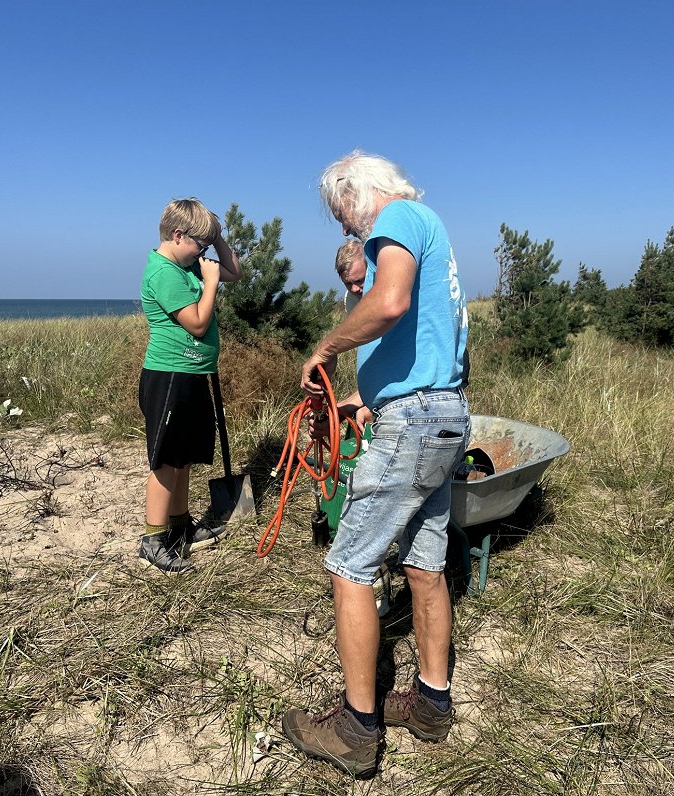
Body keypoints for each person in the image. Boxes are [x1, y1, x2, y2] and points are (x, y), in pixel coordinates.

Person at [282, 152, 470, 777]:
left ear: (359, 193)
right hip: (442, 416)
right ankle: (431, 704)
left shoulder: (397, 219)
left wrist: (326, 347)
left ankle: (357, 728)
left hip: (415, 424)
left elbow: (387, 302)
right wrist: (363, 399)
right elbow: (419, 345)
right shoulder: (429, 229)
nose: (347, 231)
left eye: (343, 215)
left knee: (350, 564)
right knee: (424, 565)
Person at [138, 198, 242, 573]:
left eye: (206, 246)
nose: (204, 252)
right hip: (168, 377)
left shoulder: (186, 267)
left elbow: (234, 271)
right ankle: (153, 539)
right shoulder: (164, 273)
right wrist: (210, 284)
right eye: (199, 244)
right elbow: (197, 323)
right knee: (165, 460)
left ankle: (180, 528)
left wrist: (217, 237)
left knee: (183, 459)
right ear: (178, 235)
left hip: (192, 376)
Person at [334, 239, 367, 313]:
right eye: (348, 283)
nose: (354, 289)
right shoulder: (350, 298)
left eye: (359, 281)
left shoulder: (390, 290)